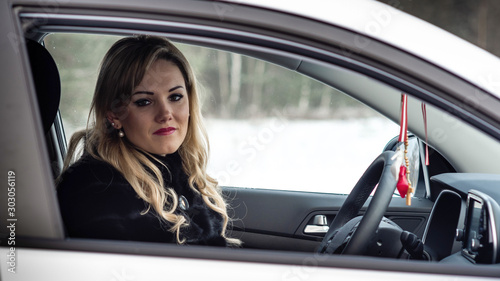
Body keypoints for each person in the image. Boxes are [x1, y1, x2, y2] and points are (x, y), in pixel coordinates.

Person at [57, 35, 240, 246]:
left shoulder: (181, 173)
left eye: (175, 97)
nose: (165, 113)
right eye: (144, 101)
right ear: (114, 115)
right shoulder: (98, 191)